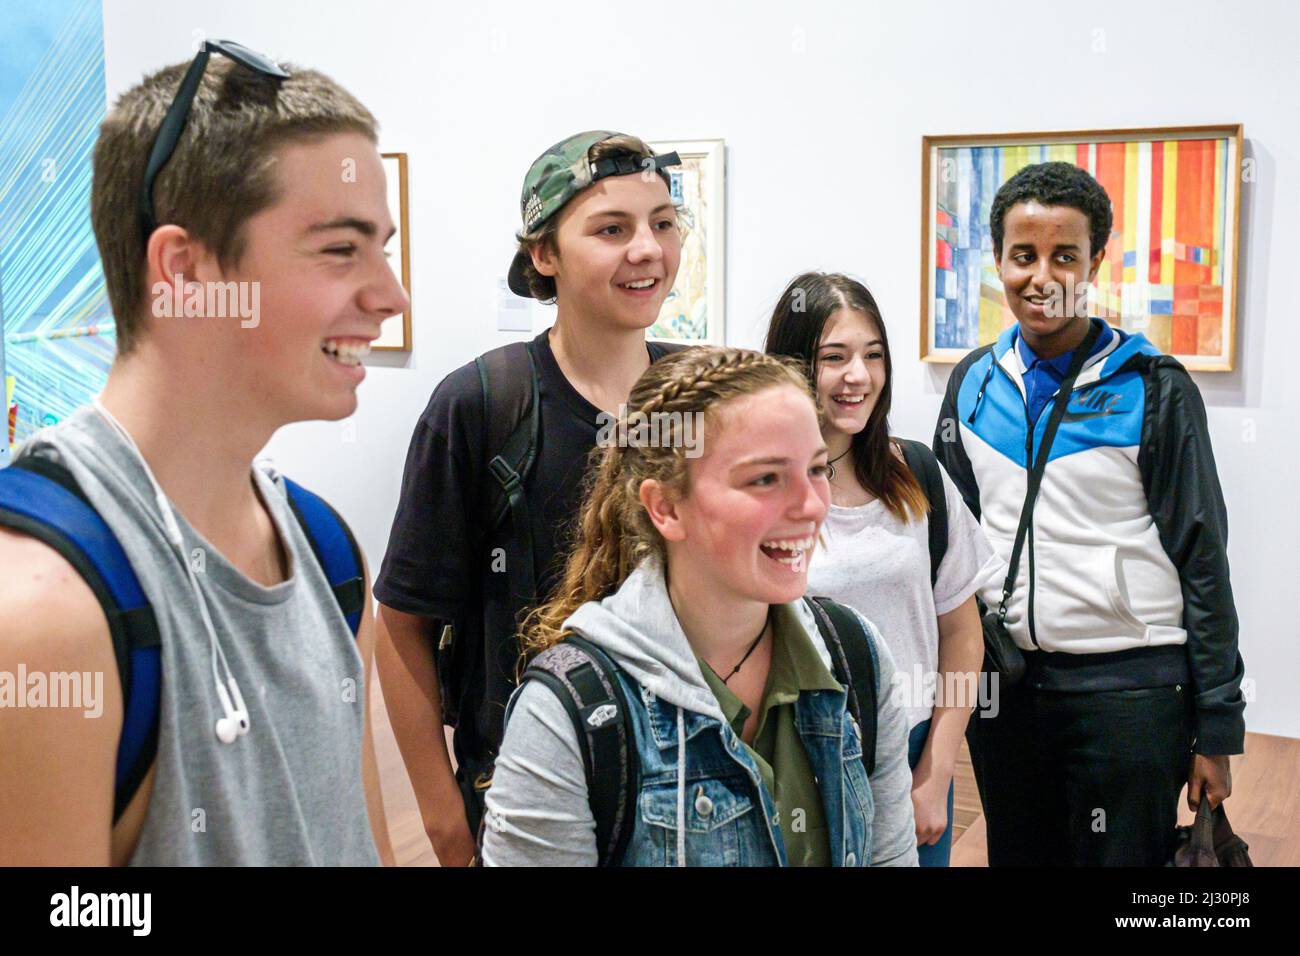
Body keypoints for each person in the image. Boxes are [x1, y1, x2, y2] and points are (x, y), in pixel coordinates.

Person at [0, 42, 404, 864]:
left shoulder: (329, 554)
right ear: (185, 270)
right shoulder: (45, 613)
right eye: (340, 249)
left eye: (383, 248)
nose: (391, 296)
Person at [374, 131, 685, 864]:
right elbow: (402, 624)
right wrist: (443, 817)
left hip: (685, 785)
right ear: (544, 254)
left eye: (663, 224)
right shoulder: (483, 405)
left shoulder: (696, 396)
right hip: (526, 792)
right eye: (612, 229)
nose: (647, 250)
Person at [481, 347, 918, 866]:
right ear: (665, 507)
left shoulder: (856, 657)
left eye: (818, 469)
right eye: (765, 478)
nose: (811, 505)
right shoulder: (571, 713)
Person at [933, 161, 1246, 866]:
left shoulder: (1153, 388)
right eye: (1023, 256)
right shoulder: (973, 383)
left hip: (1130, 696)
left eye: (1064, 255)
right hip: (1004, 692)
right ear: (999, 262)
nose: (1042, 276)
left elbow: (1203, 559)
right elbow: (950, 548)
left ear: (1095, 262)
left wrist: (1218, 727)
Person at [765, 272, 996, 866]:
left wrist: (936, 771)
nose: (858, 376)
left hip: (912, 745)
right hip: (798, 753)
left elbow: (962, 634)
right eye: (833, 357)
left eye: (873, 355)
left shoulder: (913, 474)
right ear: (792, 366)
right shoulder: (761, 492)